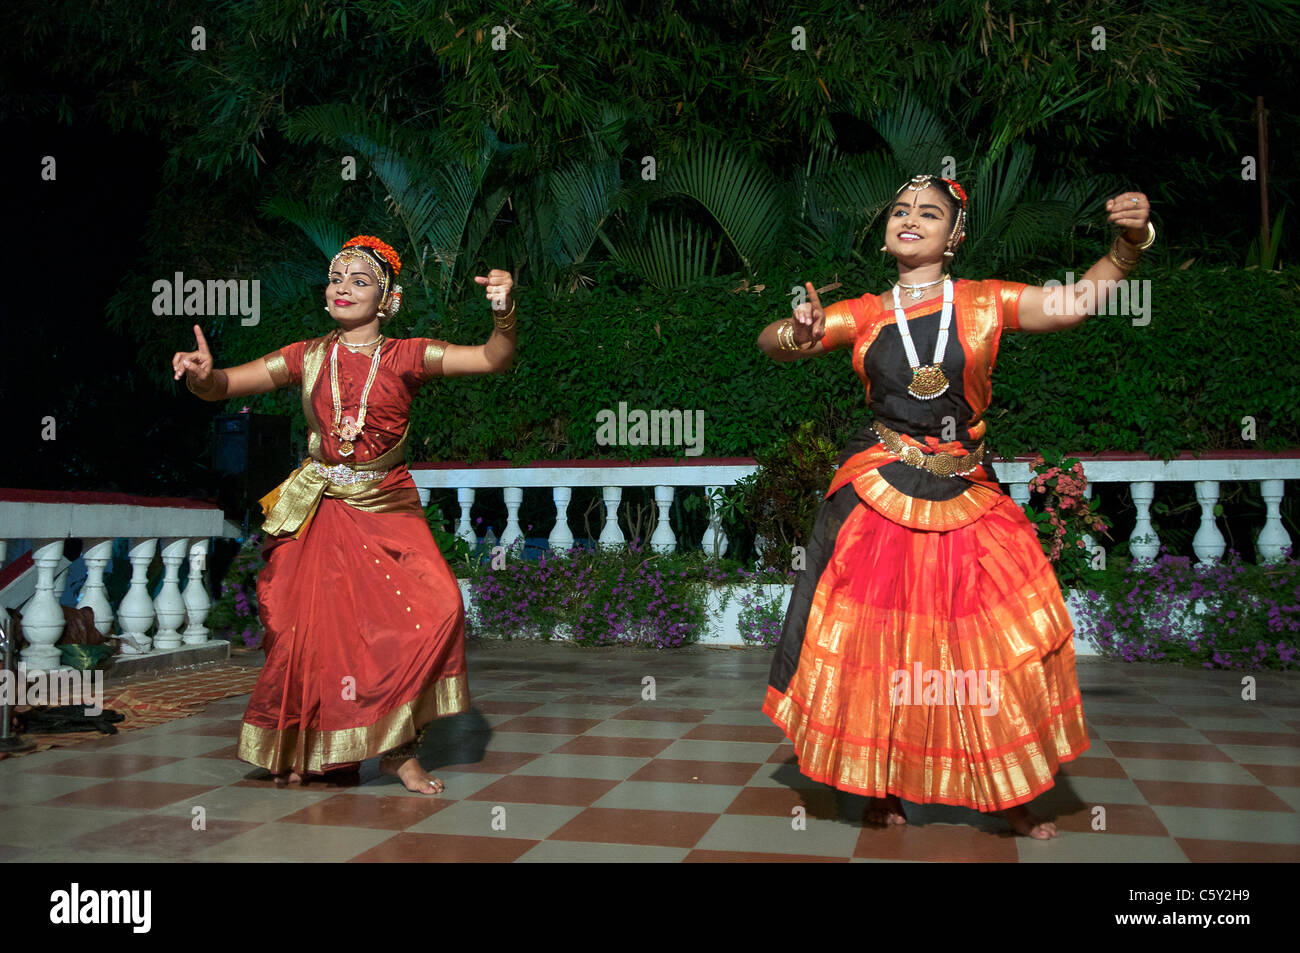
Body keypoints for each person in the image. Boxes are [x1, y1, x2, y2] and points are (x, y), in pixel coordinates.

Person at [759, 175, 1154, 838]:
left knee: (997, 644)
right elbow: (769, 341)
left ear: (956, 236)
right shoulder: (863, 312)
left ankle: (1013, 789)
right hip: (883, 490)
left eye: (930, 213)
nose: (910, 219)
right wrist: (797, 331)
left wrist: (1130, 243)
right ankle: (877, 780)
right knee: (879, 648)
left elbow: (1074, 303)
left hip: (967, 491)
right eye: (901, 210)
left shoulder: (982, 301)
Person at [173, 235, 517, 794]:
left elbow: (491, 358)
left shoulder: (407, 355)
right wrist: (202, 375)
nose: (343, 288)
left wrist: (503, 314)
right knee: (310, 633)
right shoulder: (306, 356)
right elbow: (225, 385)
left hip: (387, 502)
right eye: (337, 279)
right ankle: (309, 747)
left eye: (360, 281)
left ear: (387, 300)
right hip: (320, 505)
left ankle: (397, 748)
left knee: (439, 609)